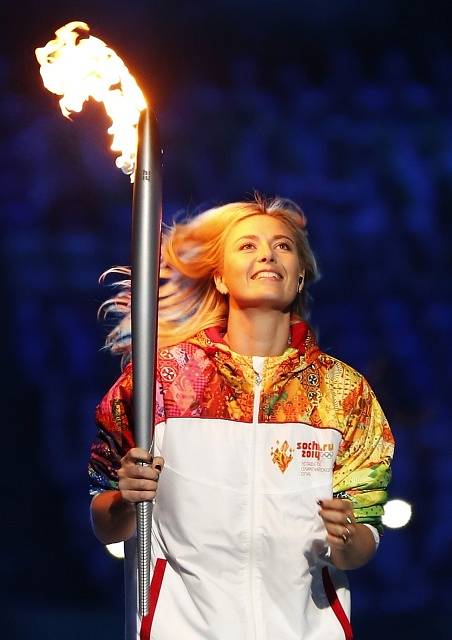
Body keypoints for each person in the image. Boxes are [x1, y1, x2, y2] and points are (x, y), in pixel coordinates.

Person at [89, 195, 394, 640]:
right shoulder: (157, 383)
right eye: (247, 246)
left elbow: (364, 533)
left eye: (283, 247)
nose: (268, 254)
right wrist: (124, 501)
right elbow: (104, 515)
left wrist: (348, 539)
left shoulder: (343, 393)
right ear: (221, 278)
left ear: (300, 275)